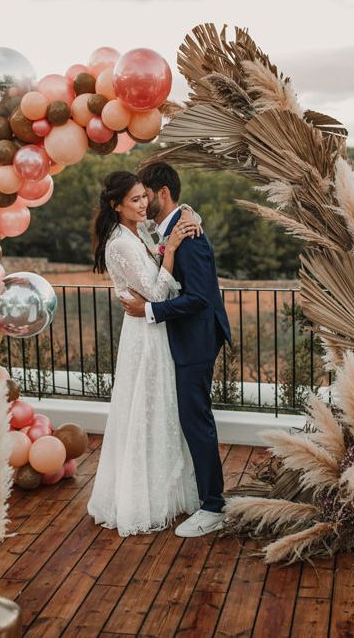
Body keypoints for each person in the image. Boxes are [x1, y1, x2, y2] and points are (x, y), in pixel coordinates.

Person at [86, 171, 202, 536]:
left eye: (143, 197)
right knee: (144, 411)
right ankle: (140, 498)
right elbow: (156, 292)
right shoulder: (120, 243)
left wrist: (189, 221)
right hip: (144, 335)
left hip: (154, 331)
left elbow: (165, 240)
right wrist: (171, 255)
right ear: (115, 205)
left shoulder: (141, 232)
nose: (142, 204)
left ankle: (166, 492)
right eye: (134, 200)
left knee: (160, 410)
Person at [120, 162, 232, 538]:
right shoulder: (173, 228)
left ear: (162, 194)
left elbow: (200, 298)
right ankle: (199, 495)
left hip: (196, 340)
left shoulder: (192, 237)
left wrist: (149, 310)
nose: (141, 202)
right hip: (183, 338)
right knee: (189, 419)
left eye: (145, 195)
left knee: (195, 421)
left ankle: (214, 506)